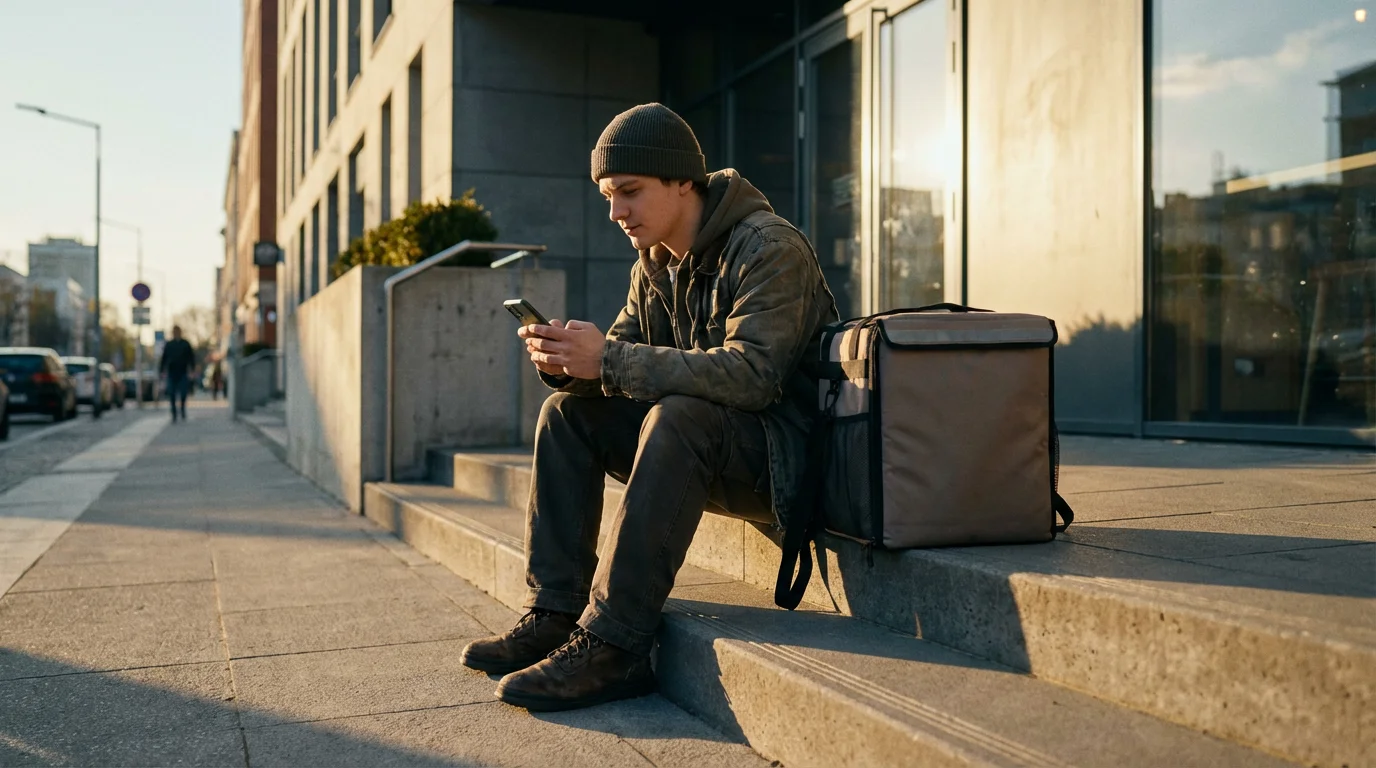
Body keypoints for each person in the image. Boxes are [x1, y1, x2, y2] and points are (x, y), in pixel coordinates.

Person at [459, 103, 837, 711]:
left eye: (629, 191)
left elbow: (753, 377)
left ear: (683, 181)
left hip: (781, 463)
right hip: (701, 449)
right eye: (608, 196)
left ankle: (616, 645)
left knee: (678, 414)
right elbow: (621, 360)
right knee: (567, 415)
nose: (616, 212)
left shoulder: (769, 246)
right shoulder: (655, 263)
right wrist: (570, 365)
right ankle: (556, 612)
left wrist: (608, 359)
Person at [159, 326, 195, 421]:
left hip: (182, 372)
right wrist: (162, 370)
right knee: (172, 393)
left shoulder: (185, 344)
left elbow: (191, 357)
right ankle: (174, 412)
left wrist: (192, 369)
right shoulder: (169, 345)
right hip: (172, 372)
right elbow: (164, 358)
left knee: (183, 392)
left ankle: (182, 409)